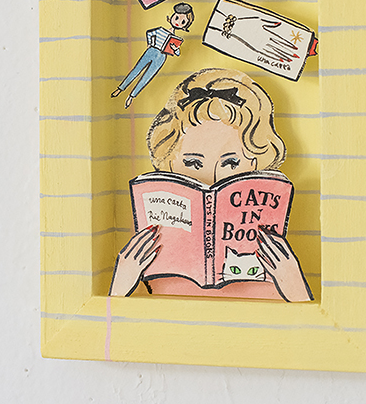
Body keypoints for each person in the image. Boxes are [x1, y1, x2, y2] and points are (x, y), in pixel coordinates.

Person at [109, 68, 313, 302]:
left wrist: (293, 282)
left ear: (256, 160)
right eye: (192, 163)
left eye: (231, 163)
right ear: (169, 160)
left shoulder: (280, 273)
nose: (213, 178)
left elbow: (309, 323)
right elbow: (117, 322)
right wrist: (122, 280)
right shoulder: (146, 270)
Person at [111, 2, 194, 108]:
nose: (178, 22)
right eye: (177, 18)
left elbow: (177, 53)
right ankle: (120, 88)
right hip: (151, 51)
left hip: (161, 57)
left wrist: (175, 49)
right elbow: (150, 33)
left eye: (183, 22)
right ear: (172, 16)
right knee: (136, 70)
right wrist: (150, 44)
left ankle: (131, 96)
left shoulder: (175, 40)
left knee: (147, 77)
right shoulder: (160, 30)